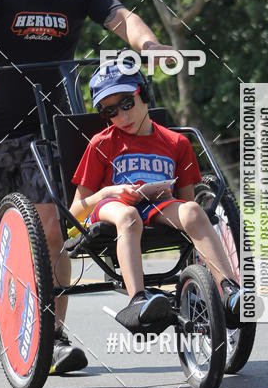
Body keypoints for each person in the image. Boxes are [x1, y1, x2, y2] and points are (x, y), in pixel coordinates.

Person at [0, 0, 172, 373]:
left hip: (48, 126)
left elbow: (121, 18)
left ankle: (52, 337)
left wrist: (149, 46)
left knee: (53, 229)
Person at [70, 63, 243, 332]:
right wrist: (108, 192)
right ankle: (138, 300)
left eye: (127, 103)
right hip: (111, 206)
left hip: (157, 205)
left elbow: (185, 202)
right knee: (127, 216)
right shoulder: (101, 143)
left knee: (193, 211)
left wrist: (167, 195)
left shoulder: (177, 143)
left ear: (144, 94)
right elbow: (75, 211)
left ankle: (229, 290)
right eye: (110, 111)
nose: (122, 115)